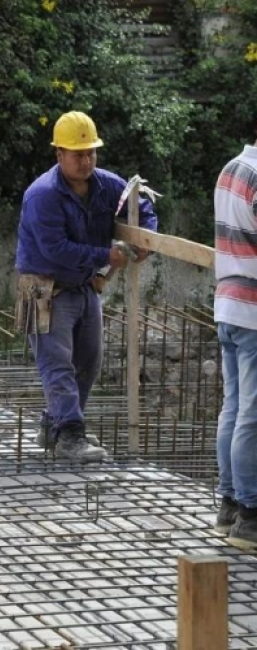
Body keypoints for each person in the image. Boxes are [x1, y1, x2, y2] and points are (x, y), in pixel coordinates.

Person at [15, 111, 158, 463]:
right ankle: (71, 436)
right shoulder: (43, 195)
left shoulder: (106, 184)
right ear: (58, 154)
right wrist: (106, 256)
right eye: (78, 154)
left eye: (90, 152)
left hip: (84, 285)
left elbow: (140, 206)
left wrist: (145, 239)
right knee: (57, 364)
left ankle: (57, 424)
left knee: (89, 362)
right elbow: (56, 249)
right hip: (45, 289)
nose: (86, 160)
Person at [213, 138, 257, 550]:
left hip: (227, 305)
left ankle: (228, 504)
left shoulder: (232, 168)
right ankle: (250, 515)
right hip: (253, 312)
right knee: (252, 415)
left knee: (234, 406)